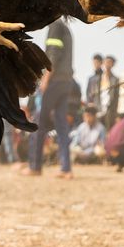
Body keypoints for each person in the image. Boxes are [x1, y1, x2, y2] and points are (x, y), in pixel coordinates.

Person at [25, 19, 75, 179]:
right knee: (61, 126)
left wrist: (45, 80)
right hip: (66, 82)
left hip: (54, 81)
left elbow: (53, 54)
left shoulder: (55, 25)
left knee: (39, 123)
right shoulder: (65, 27)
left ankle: (35, 166)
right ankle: (66, 168)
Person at [100, 55, 120, 130]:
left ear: (113, 65)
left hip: (110, 110)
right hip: (99, 109)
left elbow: (117, 97)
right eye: (106, 62)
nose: (107, 64)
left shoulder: (116, 79)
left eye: (110, 62)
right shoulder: (98, 78)